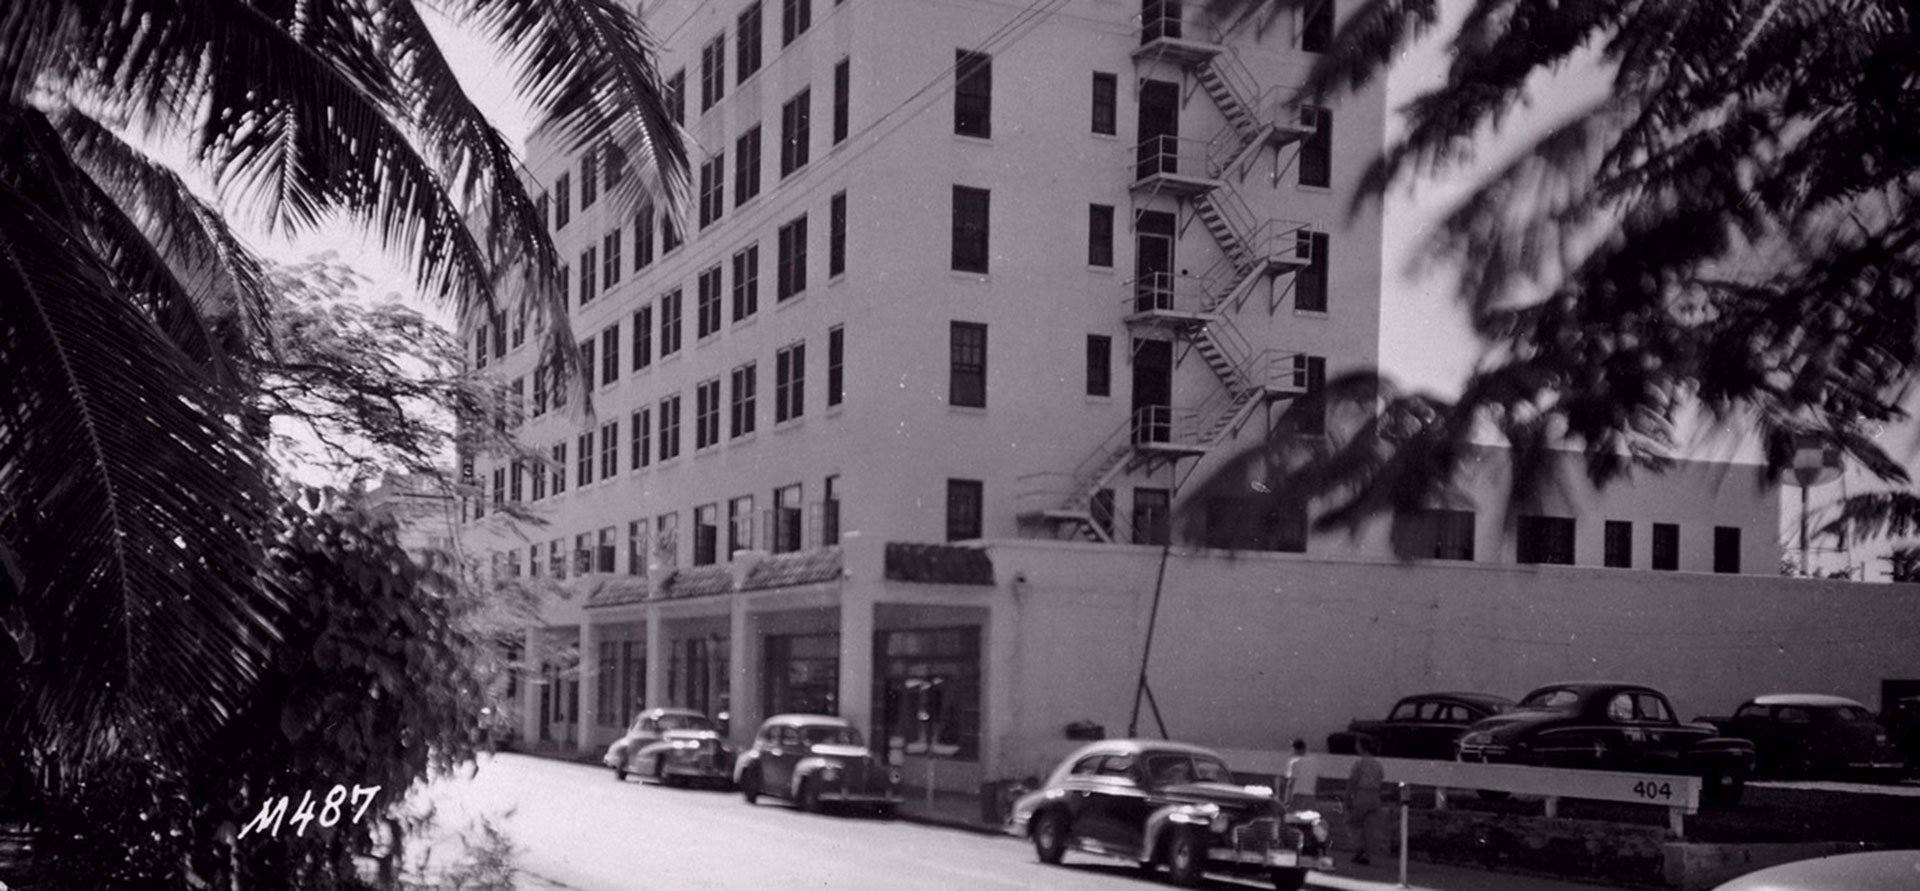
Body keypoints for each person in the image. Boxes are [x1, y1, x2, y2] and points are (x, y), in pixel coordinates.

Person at [1346, 736, 1387, 865]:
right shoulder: (1377, 764)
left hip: (1362, 793)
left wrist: (1348, 797)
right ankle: (1368, 855)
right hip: (1375, 795)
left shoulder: (1359, 763)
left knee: (1354, 823)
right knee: (1369, 827)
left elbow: (1353, 781)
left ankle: (1360, 849)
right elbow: (1381, 779)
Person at [1282, 738, 1319, 809]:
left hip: (1297, 795)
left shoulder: (1294, 762)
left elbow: (1291, 782)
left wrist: (1287, 800)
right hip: (1311, 795)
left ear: (1295, 749)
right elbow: (1317, 779)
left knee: (1295, 817)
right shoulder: (1314, 762)